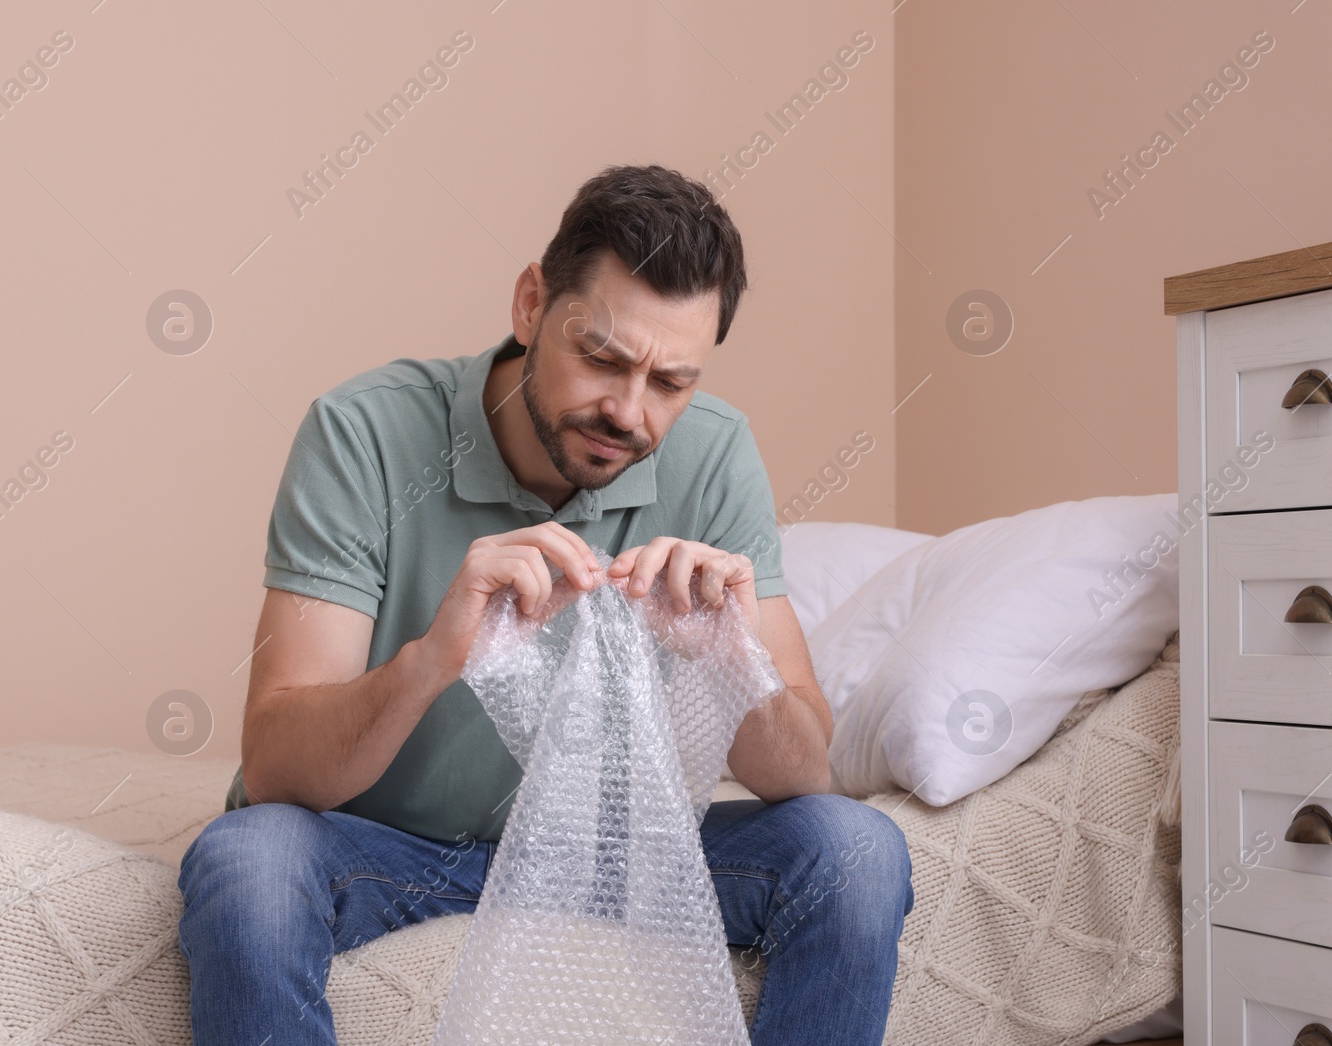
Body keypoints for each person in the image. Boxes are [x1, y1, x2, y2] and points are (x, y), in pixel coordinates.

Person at [175, 163, 914, 1046]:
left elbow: (808, 775)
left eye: (671, 382)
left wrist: (726, 660)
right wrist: (433, 658)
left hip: (619, 859)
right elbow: (275, 769)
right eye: (601, 357)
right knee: (248, 863)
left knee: (857, 851)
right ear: (532, 305)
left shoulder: (716, 457)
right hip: (393, 851)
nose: (628, 412)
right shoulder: (362, 435)